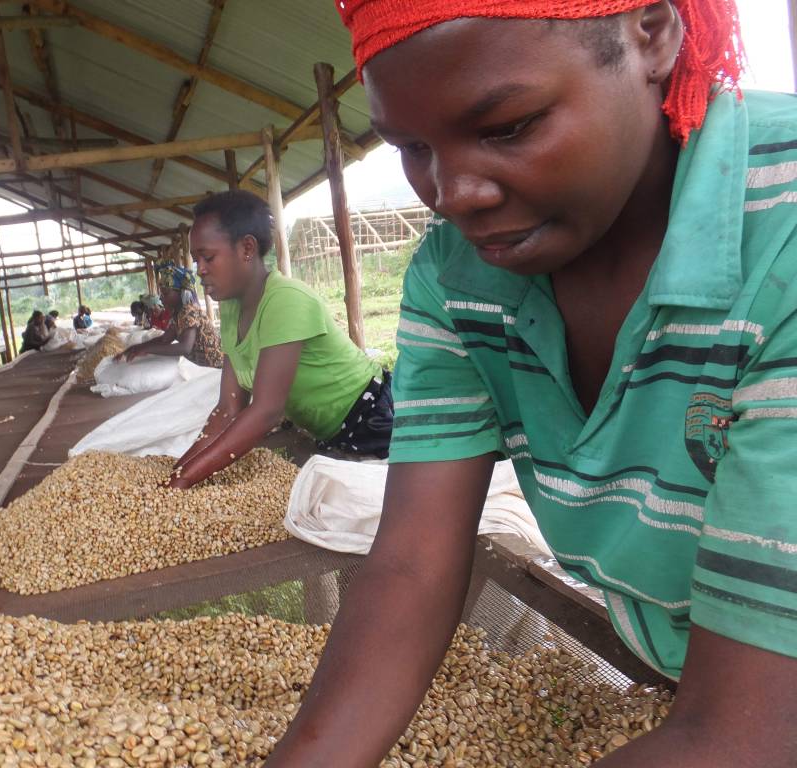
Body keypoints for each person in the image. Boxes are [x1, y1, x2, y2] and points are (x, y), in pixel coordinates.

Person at [263, 2, 797, 767]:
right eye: (413, 148)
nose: (453, 194)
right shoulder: (458, 280)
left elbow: (751, 732)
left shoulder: (780, 228)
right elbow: (413, 564)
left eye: (508, 127)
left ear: (651, 34)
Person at [169, 190, 393, 491]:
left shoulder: (285, 300)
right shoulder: (232, 307)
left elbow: (266, 412)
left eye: (208, 257)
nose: (200, 270)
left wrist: (185, 479)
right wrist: (180, 470)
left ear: (247, 248)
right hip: (329, 432)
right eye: (197, 260)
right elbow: (228, 408)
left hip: (370, 420)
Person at [118, 264, 223, 369]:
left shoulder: (189, 311)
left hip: (218, 366)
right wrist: (137, 347)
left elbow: (185, 347)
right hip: (205, 367)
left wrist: (146, 349)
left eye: (166, 294)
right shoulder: (177, 314)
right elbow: (165, 339)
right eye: (161, 294)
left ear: (181, 293)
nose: (161, 298)